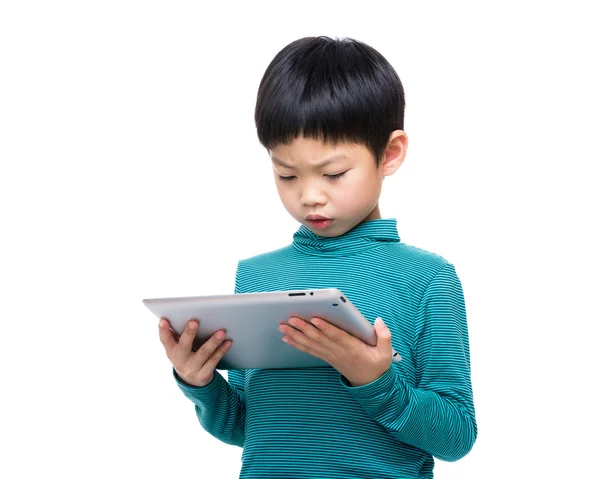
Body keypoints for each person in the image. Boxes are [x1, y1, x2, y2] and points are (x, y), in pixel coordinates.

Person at [158, 35, 477, 479]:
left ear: (390, 153)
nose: (309, 195)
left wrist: (376, 382)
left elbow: (457, 437)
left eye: (333, 174)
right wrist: (200, 383)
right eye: (286, 173)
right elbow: (250, 427)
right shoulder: (256, 276)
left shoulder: (427, 278)